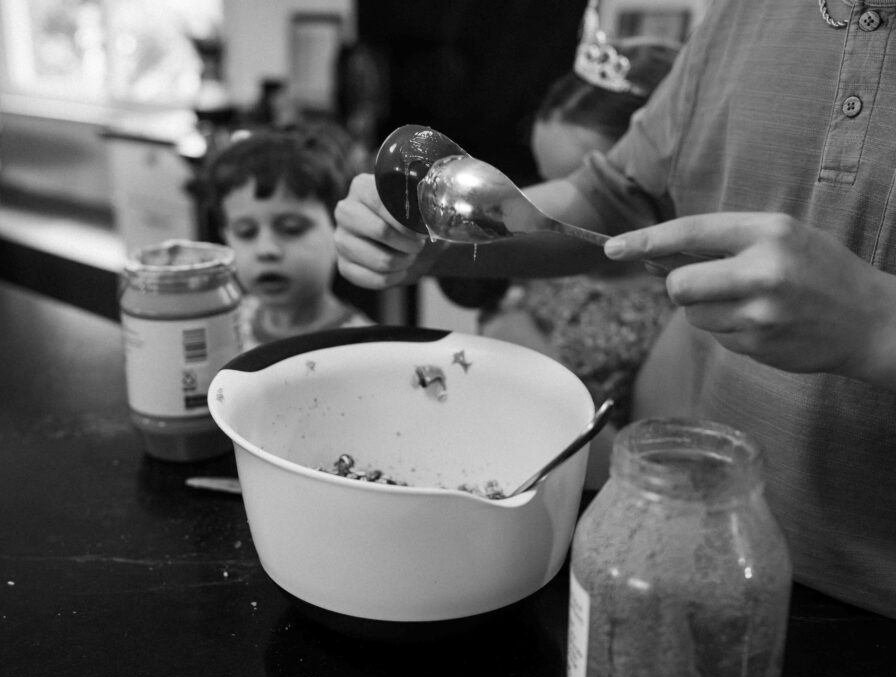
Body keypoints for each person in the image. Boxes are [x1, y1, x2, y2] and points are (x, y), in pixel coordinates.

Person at [332, 0, 896, 619]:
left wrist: (878, 326)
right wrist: (428, 238)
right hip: (708, 552)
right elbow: (617, 194)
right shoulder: (746, 15)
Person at [460, 37, 680, 487]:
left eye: (579, 189)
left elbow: (654, 482)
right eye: (546, 185)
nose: (555, 213)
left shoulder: (681, 305)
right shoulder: (543, 263)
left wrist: (516, 344)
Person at [202, 124, 374, 350]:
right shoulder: (226, 327)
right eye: (246, 232)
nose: (266, 249)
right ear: (226, 238)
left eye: (292, 228)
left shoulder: (365, 347)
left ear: (340, 232)